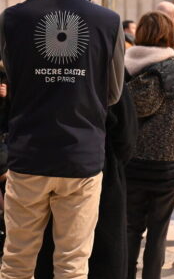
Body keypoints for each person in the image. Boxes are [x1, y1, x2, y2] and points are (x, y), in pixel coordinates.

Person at [0, 0, 125, 277]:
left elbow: (12, 79)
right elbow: (113, 94)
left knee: (16, 262)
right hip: (81, 157)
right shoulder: (109, 21)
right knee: (72, 265)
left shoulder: (12, 19)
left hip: (30, 155)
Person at [124, 11, 174, 279]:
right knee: (159, 229)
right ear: (168, 35)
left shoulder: (121, 69)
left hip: (131, 160)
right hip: (168, 163)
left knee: (130, 227)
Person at [34, 85, 138, 279]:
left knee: (49, 250)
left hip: (41, 165)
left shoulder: (33, 61)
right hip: (99, 167)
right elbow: (126, 135)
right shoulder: (103, 62)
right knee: (100, 252)